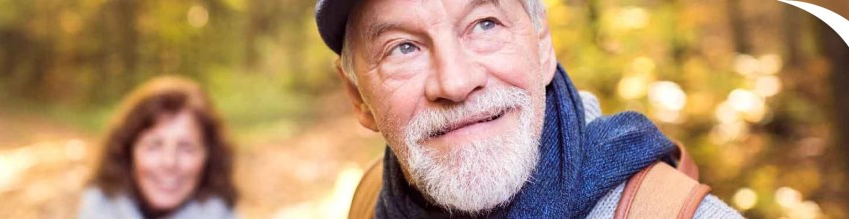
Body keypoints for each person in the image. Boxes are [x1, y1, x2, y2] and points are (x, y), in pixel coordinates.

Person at [314, 0, 744, 218]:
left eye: (485, 24)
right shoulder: (370, 198)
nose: (457, 83)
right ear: (358, 97)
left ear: (542, 47)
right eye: (403, 48)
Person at [79, 76, 238, 219]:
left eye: (186, 148)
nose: (169, 162)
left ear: (209, 156)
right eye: (154, 146)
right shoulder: (98, 210)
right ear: (127, 151)